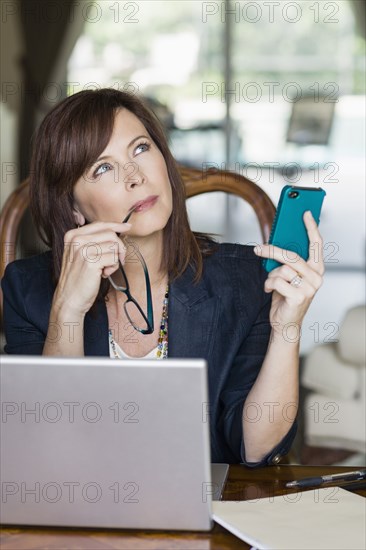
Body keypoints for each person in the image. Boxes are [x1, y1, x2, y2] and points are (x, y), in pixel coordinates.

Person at [1, 88, 324, 464]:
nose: (135, 176)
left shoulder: (244, 280)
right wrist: (68, 312)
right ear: (73, 208)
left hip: (207, 513)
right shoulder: (28, 288)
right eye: (103, 168)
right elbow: (47, 449)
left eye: (140, 148)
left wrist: (288, 328)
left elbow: (255, 449)